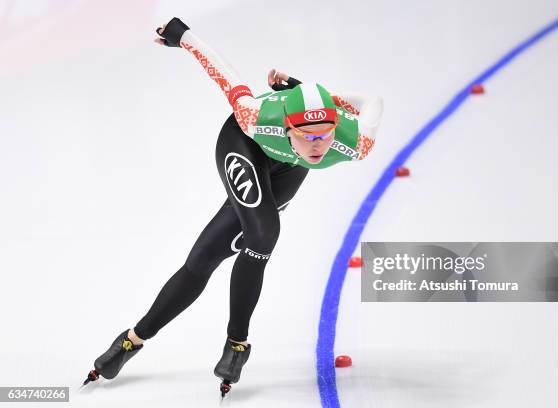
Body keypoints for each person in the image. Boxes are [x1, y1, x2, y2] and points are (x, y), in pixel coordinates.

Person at [83, 17, 383, 396]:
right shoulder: (256, 117)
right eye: (306, 136)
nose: (317, 146)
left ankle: (165, 341)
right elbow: (227, 75)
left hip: (287, 170)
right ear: (288, 127)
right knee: (262, 232)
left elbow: (373, 103)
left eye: (323, 135)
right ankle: (193, 341)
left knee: (211, 254)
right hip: (243, 145)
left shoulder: (351, 142)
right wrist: (183, 37)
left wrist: (311, 91)